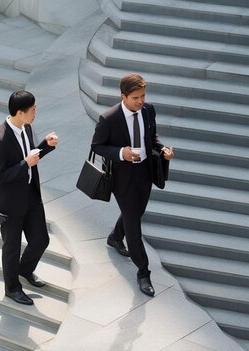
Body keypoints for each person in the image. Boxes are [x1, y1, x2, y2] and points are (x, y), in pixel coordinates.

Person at [91, 73, 174, 296]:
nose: (141, 101)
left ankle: (115, 237)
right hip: (122, 178)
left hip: (145, 172)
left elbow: (152, 137)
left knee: (135, 213)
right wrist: (121, 153)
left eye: (143, 96)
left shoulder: (148, 110)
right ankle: (143, 272)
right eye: (136, 97)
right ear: (123, 96)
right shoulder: (109, 119)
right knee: (134, 226)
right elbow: (97, 146)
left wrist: (162, 149)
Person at [0, 90, 59, 305]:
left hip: (30, 195)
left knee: (40, 240)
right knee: (11, 247)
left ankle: (24, 270)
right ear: (20, 112)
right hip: (9, 203)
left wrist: (45, 146)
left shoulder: (25, 128)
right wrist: (24, 164)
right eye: (33, 110)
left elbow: (29, 156)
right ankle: (12, 288)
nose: (36, 113)